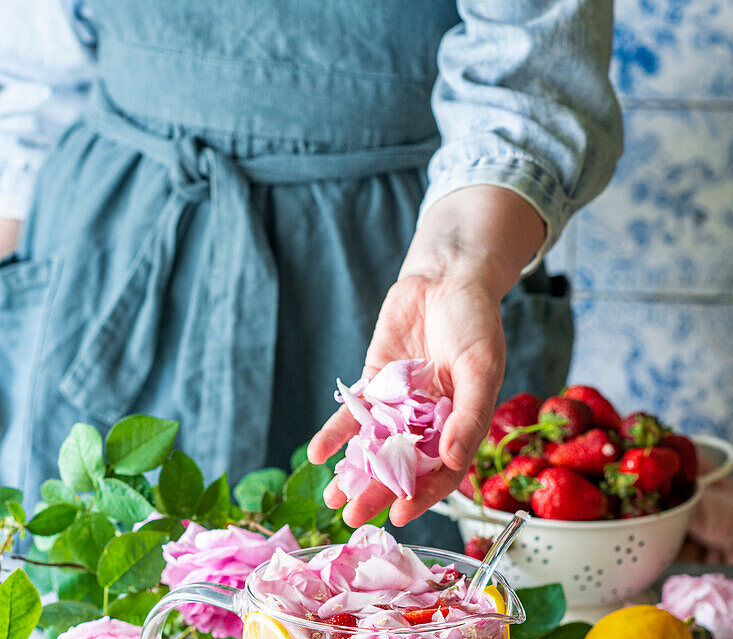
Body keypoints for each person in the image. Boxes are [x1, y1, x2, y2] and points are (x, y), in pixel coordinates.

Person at [0, 1, 621, 544]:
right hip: (116, 248)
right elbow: (31, 71)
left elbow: (533, 63)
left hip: (405, 240)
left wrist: (452, 268)